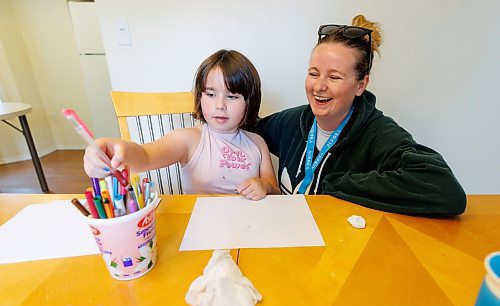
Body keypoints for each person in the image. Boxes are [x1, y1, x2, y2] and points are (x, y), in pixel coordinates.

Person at [255, 15, 466, 215]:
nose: (319, 86)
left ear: (361, 84)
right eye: (313, 73)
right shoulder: (291, 122)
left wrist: (335, 184)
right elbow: (246, 129)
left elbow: (446, 190)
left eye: (334, 77)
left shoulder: (378, 134)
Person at [84, 49, 279, 200]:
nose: (220, 105)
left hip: (250, 228)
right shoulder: (189, 139)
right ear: (200, 97)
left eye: (232, 96)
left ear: (250, 101)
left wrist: (264, 186)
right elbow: (145, 156)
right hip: (202, 229)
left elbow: (274, 190)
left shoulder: (257, 143)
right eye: (210, 94)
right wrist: (117, 148)